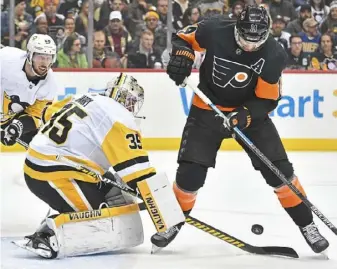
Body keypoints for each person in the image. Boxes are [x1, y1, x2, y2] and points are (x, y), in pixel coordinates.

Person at [151, 5, 329, 255]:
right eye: (245, 38)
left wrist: (245, 115)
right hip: (207, 109)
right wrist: (182, 57)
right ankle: (171, 222)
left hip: (249, 115)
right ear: (236, 28)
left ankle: (308, 224)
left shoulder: (274, 54)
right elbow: (182, 37)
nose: (249, 46)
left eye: (256, 41)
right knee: (190, 174)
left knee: (280, 173)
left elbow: (268, 100)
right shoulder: (213, 29)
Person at [14, 73, 184, 259]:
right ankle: (47, 236)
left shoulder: (84, 97)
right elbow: (139, 175)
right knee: (104, 222)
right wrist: (169, 216)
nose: (131, 106)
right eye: (131, 102)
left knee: (118, 193)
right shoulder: (120, 118)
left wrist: (16, 127)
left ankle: (67, 214)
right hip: (52, 173)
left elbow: (46, 114)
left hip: (52, 165)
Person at [0, 33, 58, 148]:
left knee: (43, 148)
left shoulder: (50, 83)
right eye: (40, 57)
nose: (45, 63)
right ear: (30, 55)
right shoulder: (6, 58)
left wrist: (17, 127)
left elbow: (36, 114)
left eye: (49, 57)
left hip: (10, 118)